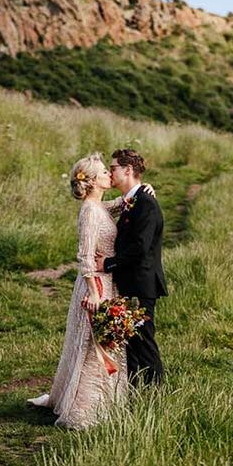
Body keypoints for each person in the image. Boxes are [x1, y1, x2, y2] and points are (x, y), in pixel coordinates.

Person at [28, 153, 154, 428]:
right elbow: (85, 256)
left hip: (108, 281)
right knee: (92, 345)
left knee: (101, 341)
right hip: (97, 283)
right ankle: (86, 408)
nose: (110, 175)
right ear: (94, 181)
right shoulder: (88, 211)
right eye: (105, 173)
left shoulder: (98, 207)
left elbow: (116, 205)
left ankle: (104, 399)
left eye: (111, 171)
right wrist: (94, 291)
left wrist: (140, 192)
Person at [96, 148, 166, 386]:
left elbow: (139, 247)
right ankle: (136, 396)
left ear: (127, 170)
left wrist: (108, 264)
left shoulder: (145, 203)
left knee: (144, 343)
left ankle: (155, 396)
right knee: (132, 345)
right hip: (131, 282)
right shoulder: (132, 200)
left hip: (140, 284)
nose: (110, 172)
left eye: (113, 168)